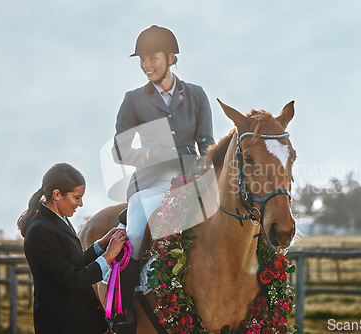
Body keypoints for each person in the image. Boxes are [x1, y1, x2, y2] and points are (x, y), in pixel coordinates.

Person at [111, 25, 215, 316]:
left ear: (170, 57)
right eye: (141, 60)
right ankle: (123, 311)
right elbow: (119, 150)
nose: (146, 65)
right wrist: (148, 154)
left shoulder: (196, 95)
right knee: (133, 235)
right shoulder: (133, 99)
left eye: (152, 58)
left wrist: (206, 168)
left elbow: (206, 141)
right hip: (150, 182)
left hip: (191, 180)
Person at [18, 163, 128, 334]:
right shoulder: (40, 230)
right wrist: (109, 256)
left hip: (80, 320)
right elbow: (72, 281)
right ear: (56, 195)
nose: (81, 204)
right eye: (77, 197)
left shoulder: (59, 219)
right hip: (63, 323)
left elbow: (74, 263)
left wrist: (101, 244)